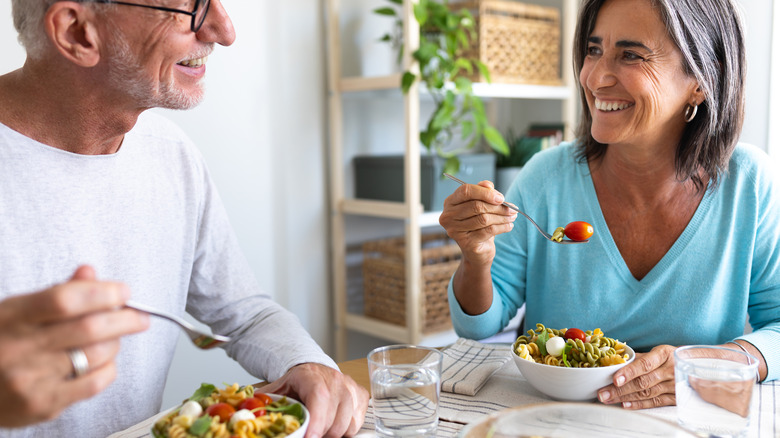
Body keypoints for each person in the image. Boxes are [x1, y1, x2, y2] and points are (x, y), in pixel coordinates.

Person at [0, 0, 368, 436]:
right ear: (77, 32)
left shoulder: (170, 152)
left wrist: (306, 362)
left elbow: (243, 312)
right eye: (189, 6)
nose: (223, 29)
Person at [440, 0, 780, 410]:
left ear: (701, 80)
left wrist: (703, 363)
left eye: (631, 55)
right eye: (593, 49)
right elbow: (479, 326)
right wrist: (476, 258)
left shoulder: (748, 184)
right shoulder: (545, 177)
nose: (595, 77)